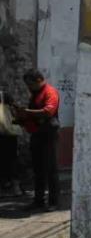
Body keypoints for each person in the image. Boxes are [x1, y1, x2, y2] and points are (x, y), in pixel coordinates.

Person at [13, 70, 60, 211]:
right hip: (37, 134)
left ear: (39, 79)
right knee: (38, 169)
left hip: (49, 135)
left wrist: (26, 112)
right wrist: (21, 119)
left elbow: (48, 112)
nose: (29, 88)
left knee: (51, 169)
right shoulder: (35, 94)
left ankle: (53, 202)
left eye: (30, 84)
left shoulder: (50, 92)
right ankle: (39, 200)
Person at [0, 91, 23, 197]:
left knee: (5, 161)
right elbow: (16, 112)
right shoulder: (6, 95)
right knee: (12, 160)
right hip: (10, 135)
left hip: (5, 135)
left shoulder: (4, 95)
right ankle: (16, 187)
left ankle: (6, 185)